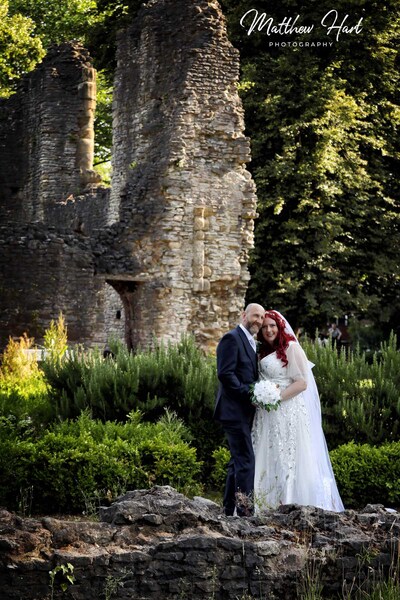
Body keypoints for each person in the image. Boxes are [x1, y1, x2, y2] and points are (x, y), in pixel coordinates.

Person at [252, 310, 344, 512]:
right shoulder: (261, 351)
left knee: (290, 457)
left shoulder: (291, 348)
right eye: (265, 326)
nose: (268, 330)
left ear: (280, 327)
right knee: (269, 454)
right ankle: (266, 505)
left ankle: (291, 502)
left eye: (272, 326)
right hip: (267, 414)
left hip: (289, 410)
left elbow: (302, 383)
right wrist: (261, 396)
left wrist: (276, 397)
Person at [214, 303, 265, 516]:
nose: (259, 321)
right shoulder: (231, 338)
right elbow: (226, 374)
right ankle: (245, 512)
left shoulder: (251, 342)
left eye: (262, 318)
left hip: (243, 412)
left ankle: (227, 509)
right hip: (233, 410)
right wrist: (250, 394)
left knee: (237, 461)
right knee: (246, 460)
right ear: (244, 315)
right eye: (255, 316)